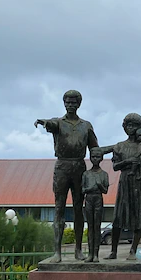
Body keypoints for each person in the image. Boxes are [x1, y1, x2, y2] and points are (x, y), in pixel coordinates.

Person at [34, 90, 99, 262]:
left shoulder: (86, 125)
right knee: (59, 208)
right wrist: (43, 121)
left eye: (73, 102)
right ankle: (57, 252)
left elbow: (95, 149)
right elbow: (51, 124)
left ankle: (78, 249)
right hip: (62, 166)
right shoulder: (58, 122)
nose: (70, 105)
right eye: (67, 102)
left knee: (79, 209)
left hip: (79, 166)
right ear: (64, 103)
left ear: (79, 104)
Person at [99, 113, 141, 260]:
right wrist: (128, 162)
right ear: (124, 127)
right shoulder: (120, 146)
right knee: (118, 217)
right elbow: (116, 166)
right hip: (125, 182)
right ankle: (113, 251)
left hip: (140, 182)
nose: (131, 128)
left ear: (140, 128)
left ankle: (133, 251)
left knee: (138, 216)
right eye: (128, 125)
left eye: (134, 126)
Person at [81, 151, 109, 262]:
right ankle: (90, 254)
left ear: (101, 158)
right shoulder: (86, 174)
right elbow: (82, 189)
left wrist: (100, 185)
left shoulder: (104, 174)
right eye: (93, 157)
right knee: (90, 227)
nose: (95, 159)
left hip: (98, 198)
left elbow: (105, 190)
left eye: (98, 156)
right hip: (89, 199)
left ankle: (96, 254)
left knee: (97, 227)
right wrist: (90, 188)